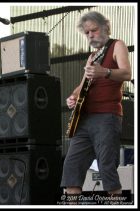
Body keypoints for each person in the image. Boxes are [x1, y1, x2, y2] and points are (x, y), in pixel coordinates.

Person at [60, 11, 132, 200]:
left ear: (105, 28)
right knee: (71, 168)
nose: (90, 35)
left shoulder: (117, 45)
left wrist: (105, 72)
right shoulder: (92, 57)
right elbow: (82, 85)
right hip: (84, 120)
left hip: (107, 116)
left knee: (107, 169)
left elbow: (126, 74)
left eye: (94, 30)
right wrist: (73, 97)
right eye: (87, 33)